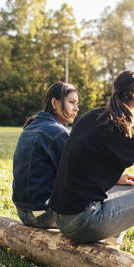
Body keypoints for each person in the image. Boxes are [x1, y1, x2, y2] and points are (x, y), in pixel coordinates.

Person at [50, 70, 134, 267]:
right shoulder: (127, 131)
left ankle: (112, 248)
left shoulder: (90, 117)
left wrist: (117, 179)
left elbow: (82, 165)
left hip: (60, 215)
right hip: (82, 222)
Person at [12, 82, 79, 228]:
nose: (76, 108)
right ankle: (110, 242)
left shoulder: (31, 126)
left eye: (77, 103)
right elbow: (77, 175)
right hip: (43, 214)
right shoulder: (58, 132)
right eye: (71, 102)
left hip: (23, 212)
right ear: (55, 103)